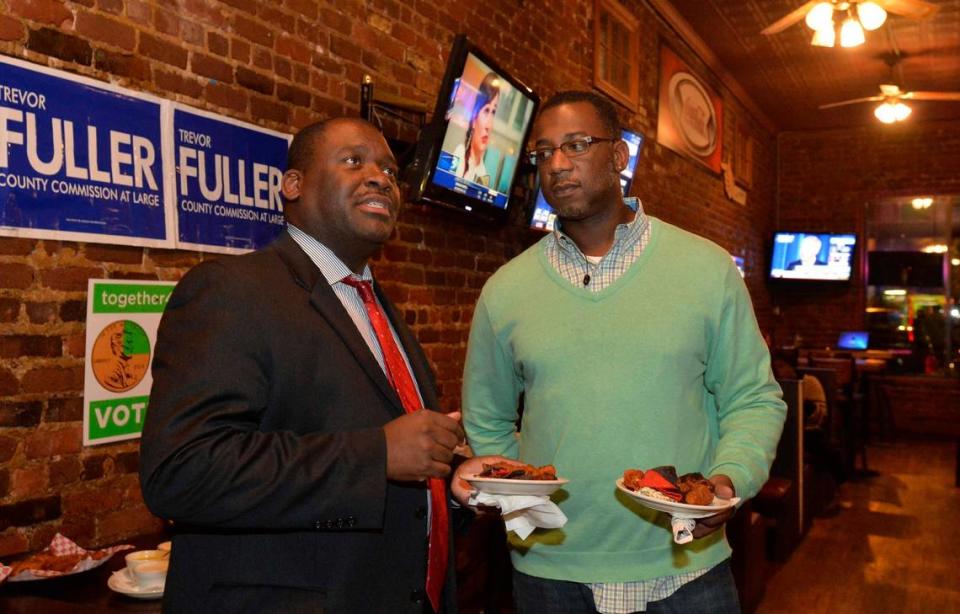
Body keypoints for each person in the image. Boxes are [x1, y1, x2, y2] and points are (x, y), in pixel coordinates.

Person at [453, 91, 786, 614]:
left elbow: (753, 398)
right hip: (550, 574)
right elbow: (487, 418)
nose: (558, 164)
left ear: (618, 157)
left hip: (686, 569)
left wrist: (730, 479)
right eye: (543, 153)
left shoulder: (706, 269)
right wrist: (522, 503)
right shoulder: (505, 290)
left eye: (577, 144)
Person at [140, 117, 464, 614]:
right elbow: (182, 472)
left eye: (390, 171)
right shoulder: (231, 290)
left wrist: (456, 478)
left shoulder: (377, 308)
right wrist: (376, 455)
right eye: (354, 161)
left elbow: (395, 458)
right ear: (293, 185)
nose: (380, 177)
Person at [452, 72, 500, 186]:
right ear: (474, 120)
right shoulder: (459, 155)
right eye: (486, 110)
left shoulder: (483, 174)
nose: (489, 125)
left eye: (493, 112)